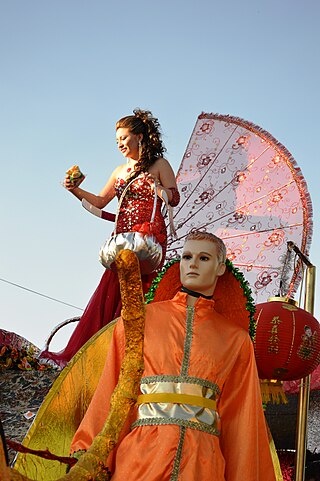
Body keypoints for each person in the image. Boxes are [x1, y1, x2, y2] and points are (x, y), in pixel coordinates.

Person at [70, 232, 277, 481]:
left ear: (220, 268)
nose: (192, 264)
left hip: (203, 464)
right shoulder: (139, 320)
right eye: (187, 256)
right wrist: (90, 453)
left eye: (203, 258)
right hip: (140, 459)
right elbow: (113, 389)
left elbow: (241, 419)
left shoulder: (236, 340)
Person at [40, 109, 179, 368]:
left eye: (124, 138)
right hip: (122, 239)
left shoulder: (159, 165)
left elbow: (174, 197)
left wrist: (157, 189)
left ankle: (142, 353)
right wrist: (75, 190)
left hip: (148, 237)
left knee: (143, 293)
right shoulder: (119, 171)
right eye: (117, 141)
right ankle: (106, 353)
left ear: (139, 137)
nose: (120, 144)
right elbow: (100, 204)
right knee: (112, 293)